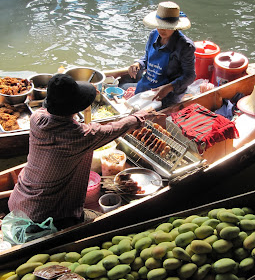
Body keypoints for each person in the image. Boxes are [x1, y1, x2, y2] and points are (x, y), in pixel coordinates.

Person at [8, 74, 164, 231]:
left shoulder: (37, 118)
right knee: (100, 222)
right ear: (77, 107)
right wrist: (142, 116)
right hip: (45, 216)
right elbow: (114, 129)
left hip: (19, 200)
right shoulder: (79, 135)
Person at [125, 1, 196, 109]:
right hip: (149, 84)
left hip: (169, 93)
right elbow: (147, 58)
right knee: (129, 101)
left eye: (167, 26)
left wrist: (168, 87)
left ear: (175, 27)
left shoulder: (185, 46)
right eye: (160, 25)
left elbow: (190, 76)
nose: (162, 29)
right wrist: (138, 64)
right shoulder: (154, 34)